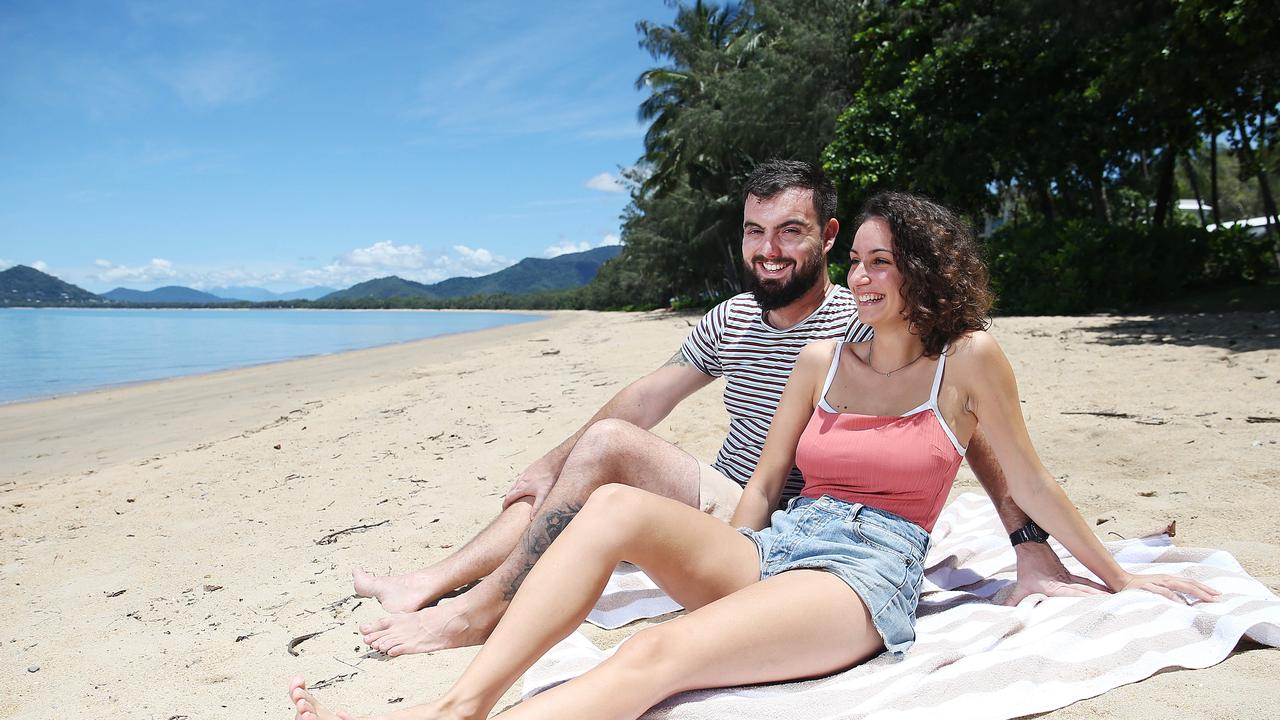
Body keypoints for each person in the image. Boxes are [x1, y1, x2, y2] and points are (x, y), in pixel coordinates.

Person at [289, 191, 1218, 720]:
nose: (860, 277)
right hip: (784, 545)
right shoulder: (821, 356)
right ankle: (467, 696)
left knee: (666, 652)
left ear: (925, 270)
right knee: (611, 507)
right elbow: (766, 486)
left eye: (879, 261)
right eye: (855, 260)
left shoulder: (966, 361)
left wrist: (1115, 579)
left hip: (861, 575)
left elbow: (1028, 478)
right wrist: (735, 566)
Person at [353, 161, 1100, 658]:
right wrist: (550, 460)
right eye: (755, 231)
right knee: (585, 457)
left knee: (600, 452)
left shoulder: (865, 318)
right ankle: (432, 583)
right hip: (731, 498)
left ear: (828, 239)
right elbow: (651, 393)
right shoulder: (736, 317)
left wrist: (1028, 545)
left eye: (790, 232)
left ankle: (477, 611)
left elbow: (970, 433)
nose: (769, 250)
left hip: (805, 524)